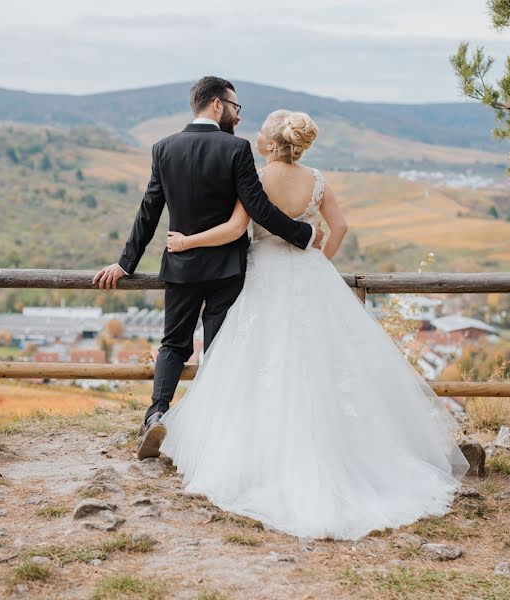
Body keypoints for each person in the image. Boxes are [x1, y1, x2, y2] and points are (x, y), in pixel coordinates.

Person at [157, 109, 469, 540]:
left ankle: (254, 456)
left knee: (260, 362)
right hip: (310, 275)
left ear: (270, 142)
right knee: (325, 364)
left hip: (264, 275)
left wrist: (187, 241)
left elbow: (234, 229)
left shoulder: (257, 177)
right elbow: (339, 226)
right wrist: (319, 262)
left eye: (262, 132)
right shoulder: (317, 179)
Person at [92, 77, 323, 460]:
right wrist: (303, 234)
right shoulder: (236, 149)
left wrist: (125, 263)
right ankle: (213, 430)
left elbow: (149, 211)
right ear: (218, 105)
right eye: (235, 107)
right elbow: (258, 208)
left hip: (180, 266)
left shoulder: (163, 148)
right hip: (227, 268)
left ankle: (157, 413)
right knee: (218, 349)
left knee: (174, 343)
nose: (237, 114)